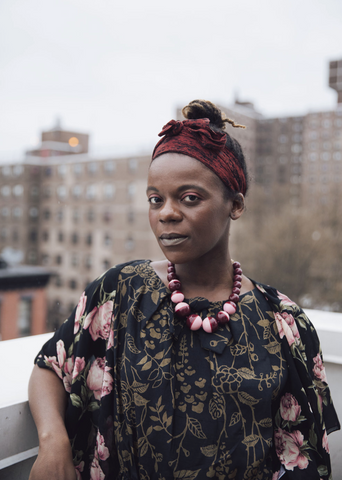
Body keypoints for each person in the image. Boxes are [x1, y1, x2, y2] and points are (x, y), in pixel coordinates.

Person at [28, 100, 340, 480]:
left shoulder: (283, 324)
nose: (166, 213)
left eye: (189, 198)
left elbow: (300, 456)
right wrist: (53, 442)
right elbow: (50, 366)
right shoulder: (122, 292)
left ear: (235, 205)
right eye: (155, 199)